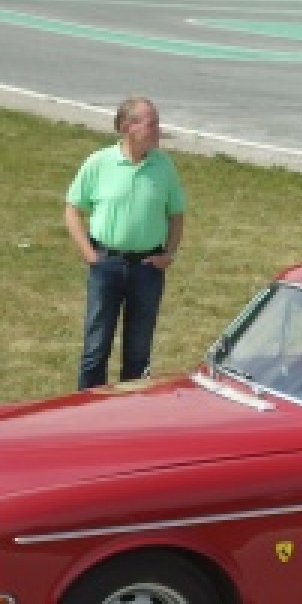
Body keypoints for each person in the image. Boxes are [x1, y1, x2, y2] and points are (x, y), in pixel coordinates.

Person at [65, 97, 186, 390]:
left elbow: (176, 215)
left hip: (147, 268)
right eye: (151, 124)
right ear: (126, 127)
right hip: (107, 264)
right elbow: (72, 210)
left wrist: (169, 254)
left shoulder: (163, 166)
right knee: (96, 348)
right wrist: (90, 255)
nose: (158, 130)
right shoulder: (99, 163)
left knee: (138, 352)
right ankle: (89, 409)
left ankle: (130, 411)